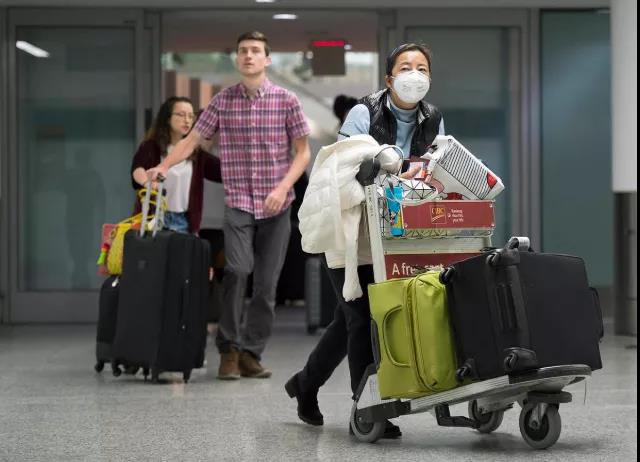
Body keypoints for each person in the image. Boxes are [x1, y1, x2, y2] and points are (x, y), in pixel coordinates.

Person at [285, 43, 445, 437]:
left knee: (351, 319)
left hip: (392, 232)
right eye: (405, 67)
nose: (414, 74)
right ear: (389, 78)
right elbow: (341, 168)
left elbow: (436, 167)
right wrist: (391, 170)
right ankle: (369, 408)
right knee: (361, 317)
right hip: (350, 229)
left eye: (422, 68)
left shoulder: (433, 118)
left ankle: (305, 384)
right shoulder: (364, 112)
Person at [147, 31, 311, 380]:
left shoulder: (287, 100)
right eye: (243, 51)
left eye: (255, 51)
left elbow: (303, 152)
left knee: (266, 285)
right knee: (237, 270)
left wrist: (283, 187)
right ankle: (229, 350)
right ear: (237, 59)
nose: (248, 55)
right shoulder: (222, 101)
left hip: (277, 205)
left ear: (267, 59)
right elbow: (193, 140)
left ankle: (251, 352)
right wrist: (164, 166)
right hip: (238, 202)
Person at [130, 97, 222, 234]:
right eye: (181, 115)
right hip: (153, 219)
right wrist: (147, 183)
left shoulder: (198, 154)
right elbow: (137, 169)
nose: (187, 120)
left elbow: (223, 172)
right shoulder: (151, 147)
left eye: (191, 116)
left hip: (183, 222)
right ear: (168, 118)